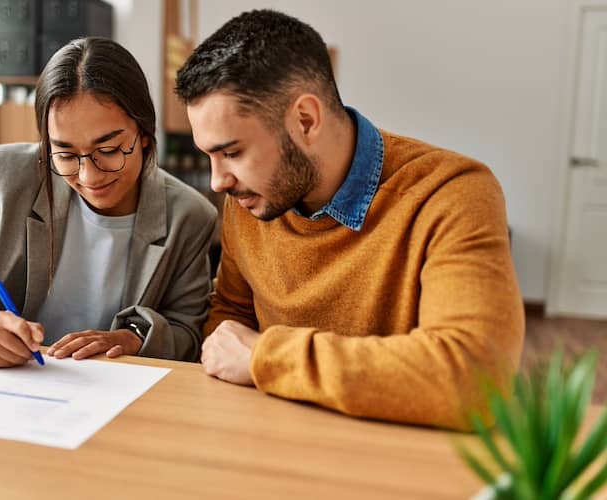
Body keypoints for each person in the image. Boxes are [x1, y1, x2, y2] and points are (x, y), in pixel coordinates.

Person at [175, 10, 524, 430]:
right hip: (271, 445)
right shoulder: (249, 199)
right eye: (209, 156)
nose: (217, 181)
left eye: (232, 152)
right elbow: (231, 318)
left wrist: (265, 359)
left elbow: (476, 377)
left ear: (305, 120)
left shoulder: (451, 192)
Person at [0, 37, 217, 368]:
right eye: (66, 154)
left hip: (116, 395)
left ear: (144, 133)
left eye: (109, 150)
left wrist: (134, 338)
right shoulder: (6, 176)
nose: (88, 176)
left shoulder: (190, 215)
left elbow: (187, 331)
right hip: (6, 382)